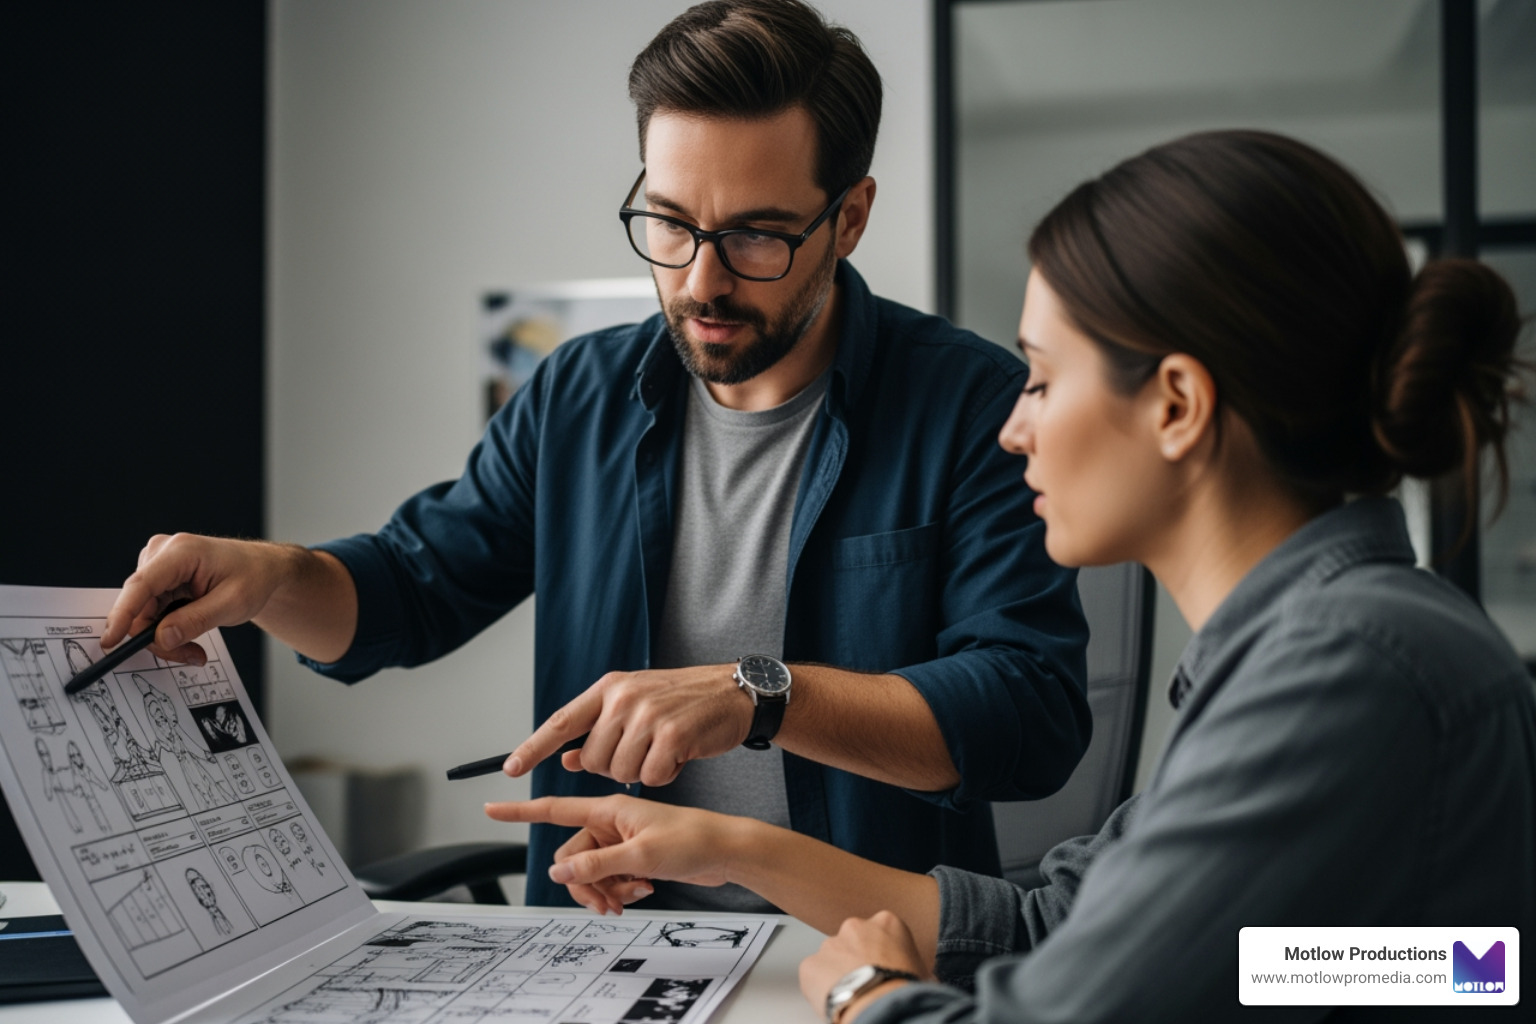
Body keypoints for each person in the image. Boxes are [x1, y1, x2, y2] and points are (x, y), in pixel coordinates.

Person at [489, 129, 1536, 1022]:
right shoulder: (1318, 649)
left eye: (1039, 378)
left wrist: (863, 991)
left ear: (1175, 405)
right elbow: (1054, 922)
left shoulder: (1348, 670)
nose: (1013, 426)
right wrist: (728, 845)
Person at [100, 0, 1090, 909]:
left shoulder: (971, 404)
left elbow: (1028, 712)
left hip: (862, 948)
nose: (701, 281)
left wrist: (761, 696)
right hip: (601, 944)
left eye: (756, 237)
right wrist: (270, 576)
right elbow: (410, 590)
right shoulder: (580, 393)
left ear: (851, 218)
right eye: (668, 223)